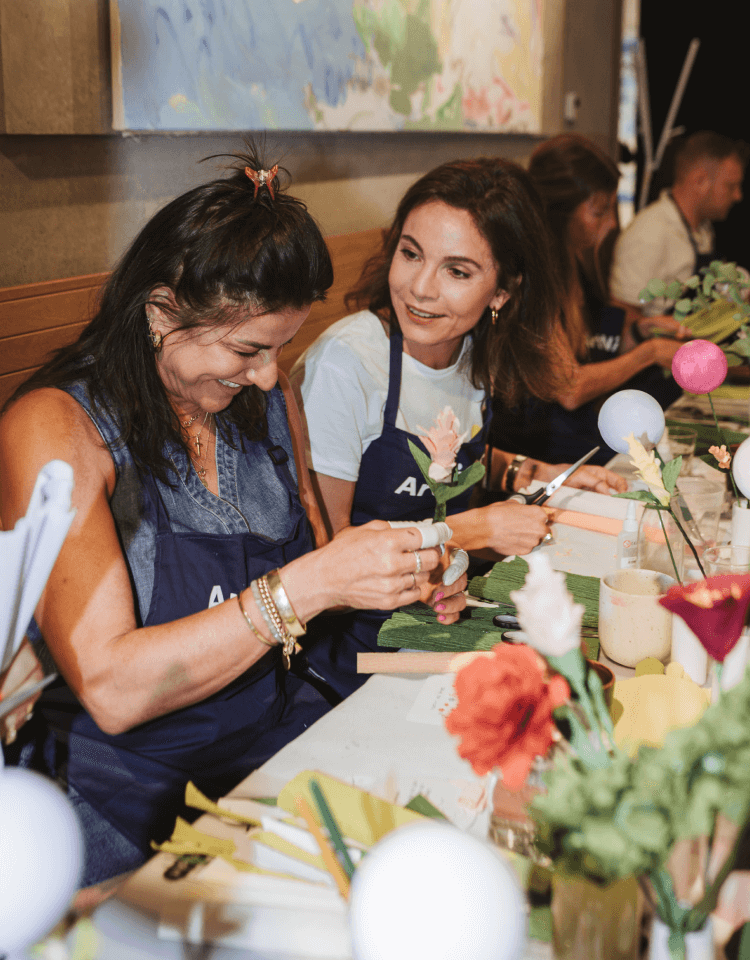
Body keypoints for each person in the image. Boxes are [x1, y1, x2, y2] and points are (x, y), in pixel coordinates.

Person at [0, 148, 455, 887]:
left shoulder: (265, 399)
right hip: (129, 804)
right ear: (160, 312)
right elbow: (112, 689)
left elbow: (320, 581)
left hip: (277, 752)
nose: (270, 376)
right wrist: (305, 588)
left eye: (281, 349)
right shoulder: (60, 430)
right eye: (248, 348)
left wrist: (394, 583)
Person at [291, 157, 626, 699]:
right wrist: (480, 531)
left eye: (458, 271)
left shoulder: (471, 350)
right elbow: (329, 556)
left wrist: (531, 471)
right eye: (411, 253)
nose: (421, 289)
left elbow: (448, 455)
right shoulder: (349, 365)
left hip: (439, 621)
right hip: (349, 651)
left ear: (502, 291)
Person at [493, 134, 688, 465]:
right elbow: (570, 390)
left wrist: (642, 331)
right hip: (541, 445)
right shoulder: (535, 277)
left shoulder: (575, 259)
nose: (611, 224)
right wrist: (649, 353)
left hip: (577, 427)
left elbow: (597, 346)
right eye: (600, 212)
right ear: (559, 212)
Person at [610, 131, 747, 310]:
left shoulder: (702, 228)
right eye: (730, 186)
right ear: (700, 181)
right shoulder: (650, 231)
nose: (738, 196)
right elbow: (622, 313)